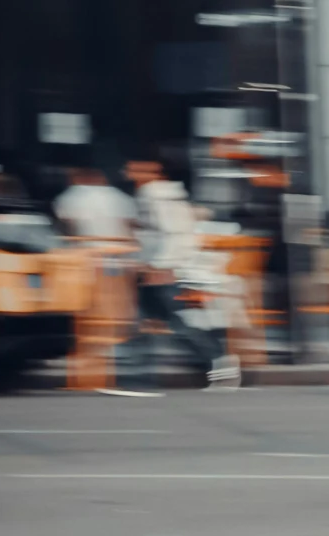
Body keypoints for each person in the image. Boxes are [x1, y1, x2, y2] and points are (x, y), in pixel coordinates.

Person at [124, 160, 241, 390]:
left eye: (137, 168)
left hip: (164, 269)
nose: (129, 173)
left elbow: (173, 233)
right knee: (153, 320)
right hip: (157, 267)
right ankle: (137, 376)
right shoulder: (155, 194)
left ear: (155, 170)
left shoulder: (156, 195)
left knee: (176, 321)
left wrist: (161, 266)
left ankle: (219, 361)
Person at [52, 166, 136, 245]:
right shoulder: (120, 195)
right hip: (120, 249)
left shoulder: (72, 195)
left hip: (87, 250)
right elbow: (130, 225)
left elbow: (67, 226)